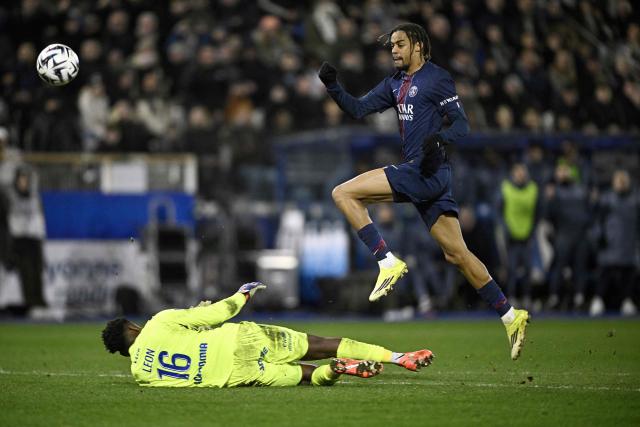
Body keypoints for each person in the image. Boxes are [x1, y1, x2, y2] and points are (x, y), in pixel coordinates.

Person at [318, 22, 529, 359]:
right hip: (431, 178)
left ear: (417, 45)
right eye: (391, 47)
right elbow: (358, 109)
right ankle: (509, 314)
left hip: (424, 170)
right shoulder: (394, 84)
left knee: (342, 193)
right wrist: (332, 86)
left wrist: (440, 138)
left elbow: (461, 124)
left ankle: (386, 260)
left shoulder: (437, 78)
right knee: (457, 254)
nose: (394, 51)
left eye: (399, 44)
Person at [101, 282, 434, 388]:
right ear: (132, 328)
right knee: (317, 345)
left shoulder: (140, 374)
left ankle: (337, 369)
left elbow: (183, 359)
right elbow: (218, 312)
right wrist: (243, 294)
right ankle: (397, 357)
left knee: (307, 376)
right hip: (239, 339)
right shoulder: (158, 322)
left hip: (238, 375)